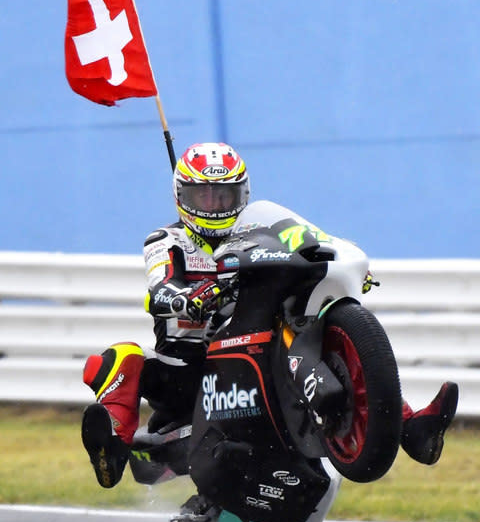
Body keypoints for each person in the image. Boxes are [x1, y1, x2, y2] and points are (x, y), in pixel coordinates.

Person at [81, 141, 459, 488]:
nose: (214, 204)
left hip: (248, 354)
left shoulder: (252, 232)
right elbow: (160, 285)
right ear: (182, 197)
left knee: (314, 328)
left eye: (224, 195)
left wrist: (332, 262)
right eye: (204, 195)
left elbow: (298, 241)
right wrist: (186, 296)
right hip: (187, 369)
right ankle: (111, 444)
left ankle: (412, 428)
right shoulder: (166, 241)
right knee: (123, 355)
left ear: (243, 194)